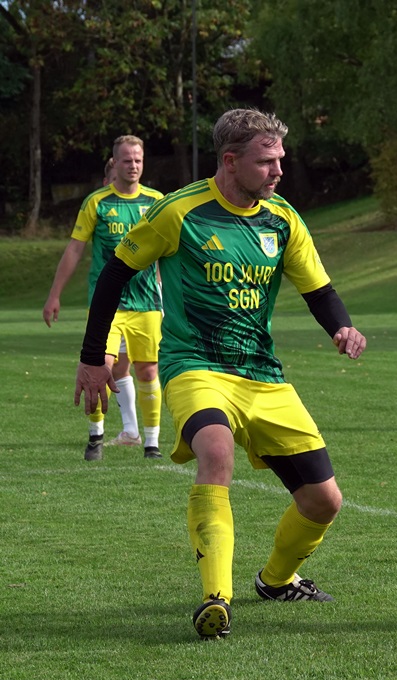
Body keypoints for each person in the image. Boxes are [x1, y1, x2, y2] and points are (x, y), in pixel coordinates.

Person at [73, 108, 367, 640]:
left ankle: (276, 581)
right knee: (216, 450)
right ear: (230, 161)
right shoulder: (179, 211)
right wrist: (94, 356)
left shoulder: (283, 219)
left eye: (280, 160)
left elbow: (319, 290)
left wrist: (341, 328)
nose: (278, 171)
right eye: (266, 162)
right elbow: (115, 272)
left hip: (262, 374)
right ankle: (216, 598)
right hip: (194, 365)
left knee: (324, 501)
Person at [44, 135, 164, 461]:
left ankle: (151, 444)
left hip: (147, 304)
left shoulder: (157, 201)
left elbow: (169, 250)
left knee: (148, 371)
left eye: (138, 160)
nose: (133, 166)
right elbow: (75, 249)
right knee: (100, 364)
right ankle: (95, 435)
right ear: (115, 162)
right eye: (127, 160)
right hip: (106, 304)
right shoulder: (97, 202)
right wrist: (54, 294)